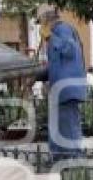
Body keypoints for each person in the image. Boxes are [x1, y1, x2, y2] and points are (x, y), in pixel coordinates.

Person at [36, 8, 88, 160]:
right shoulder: (55, 36)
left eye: (40, 22)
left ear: (47, 20)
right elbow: (55, 66)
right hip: (59, 90)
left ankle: (74, 159)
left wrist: (52, 37)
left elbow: (70, 50)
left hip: (67, 89)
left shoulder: (63, 29)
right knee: (56, 127)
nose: (40, 27)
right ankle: (58, 158)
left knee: (68, 126)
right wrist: (35, 76)